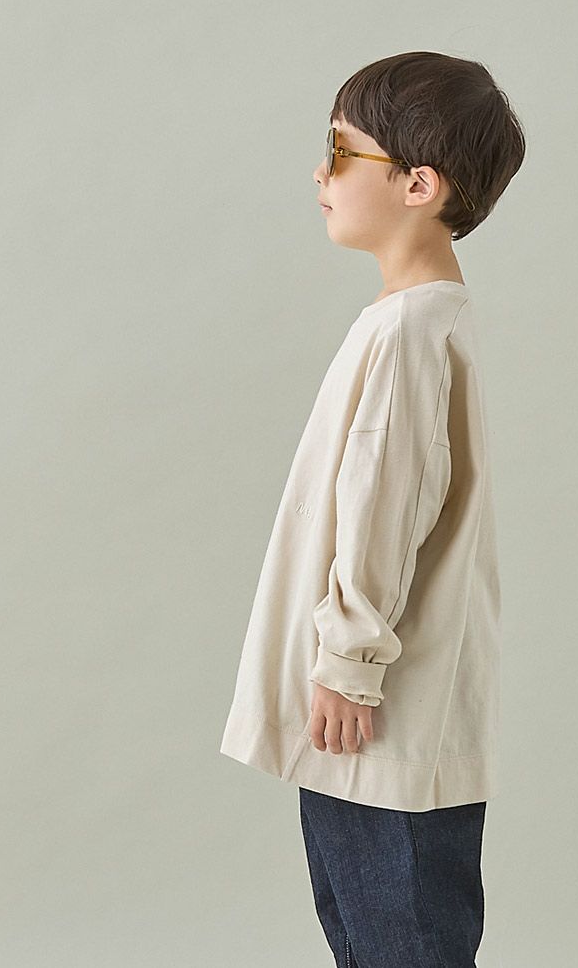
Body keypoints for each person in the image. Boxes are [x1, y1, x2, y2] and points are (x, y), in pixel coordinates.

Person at [219, 50, 526, 968]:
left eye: (339, 151)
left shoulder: (407, 332)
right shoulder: (416, 321)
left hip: (377, 709)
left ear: (418, 185)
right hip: (377, 707)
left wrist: (348, 664)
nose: (320, 173)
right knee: (373, 936)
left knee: (399, 942)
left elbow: (387, 508)